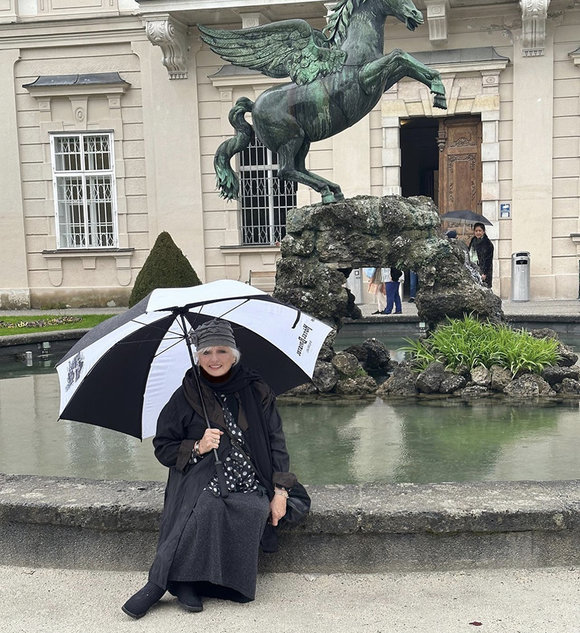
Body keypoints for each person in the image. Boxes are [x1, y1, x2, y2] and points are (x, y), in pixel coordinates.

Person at [122, 319, 296, 618]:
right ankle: (175, 582)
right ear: (197, 356)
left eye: (221, 351)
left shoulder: (257, 390)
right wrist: (197, 446)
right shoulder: (186, 395)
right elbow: (163, 445)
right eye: (206, 353)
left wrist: (280, 491)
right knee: (203, 506)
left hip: (251, 474)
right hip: (202, 472)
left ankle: (217, 584)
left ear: (234, 355)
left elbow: (275, 440)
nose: (214, 359)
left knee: (253, 508)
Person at [468, 222, 494, 288]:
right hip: (473, 269)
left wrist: (484, 273)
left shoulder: (488, 244)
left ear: (483, 231)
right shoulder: (473, 240)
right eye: (476, 231)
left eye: (480, 231)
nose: (478, 233)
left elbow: (488, 260)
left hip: (483, 271)